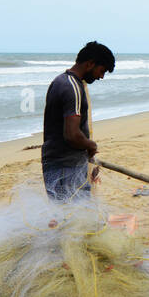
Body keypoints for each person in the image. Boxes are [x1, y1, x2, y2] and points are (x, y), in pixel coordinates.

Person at [41, 41, 115, 201]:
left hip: (54, 162)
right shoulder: (72, 87)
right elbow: (72, 135)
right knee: (75, 215)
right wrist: (91, 145)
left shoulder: (59, 81)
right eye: (101, 71)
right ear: (90, 64)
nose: (101, 77)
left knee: (61, 212)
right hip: (67, 166)